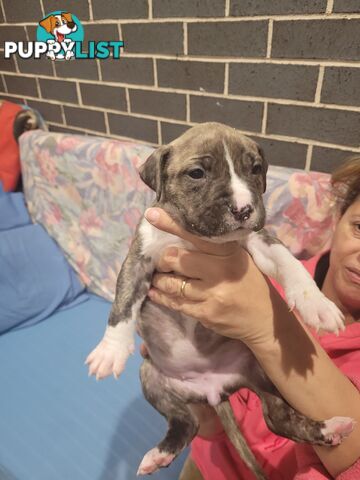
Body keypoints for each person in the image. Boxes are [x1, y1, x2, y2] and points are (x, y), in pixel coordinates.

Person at [142, 157, 360, 479]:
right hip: (210, 462)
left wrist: (266, 326)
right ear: (338, 216)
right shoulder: (257, 273)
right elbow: (215, 427)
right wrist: (191, 383)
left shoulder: (255, 286)